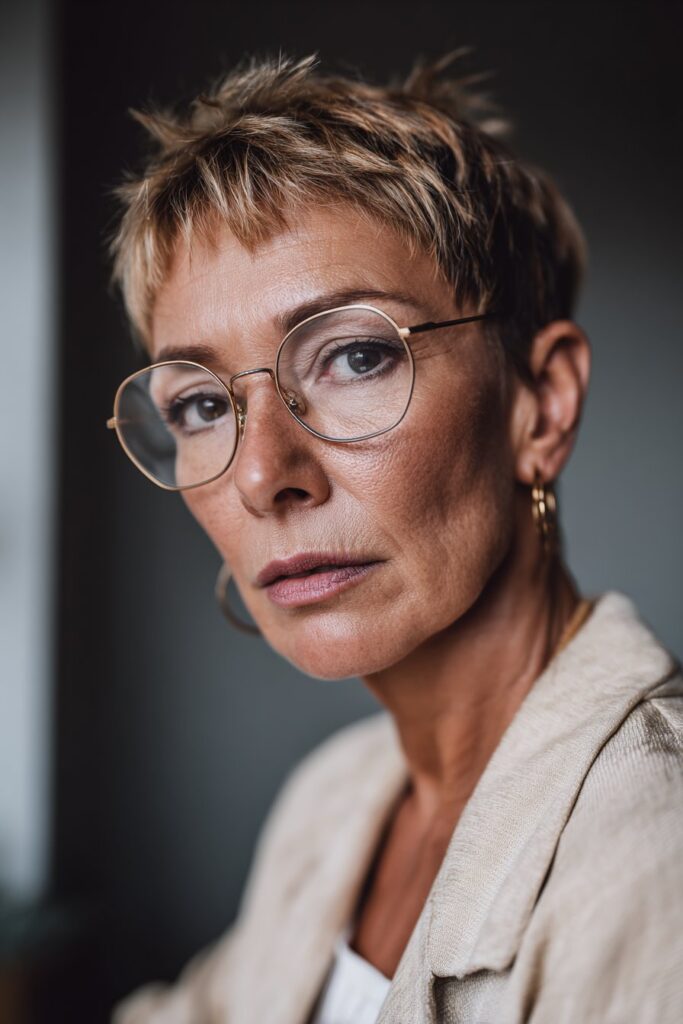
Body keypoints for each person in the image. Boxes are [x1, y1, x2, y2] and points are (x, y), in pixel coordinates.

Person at [106, 51, 683, 1024]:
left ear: (540, 405)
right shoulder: (333, 801)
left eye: (354, 356)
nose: (261, 475)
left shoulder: (653, 850)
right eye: (201, 403)